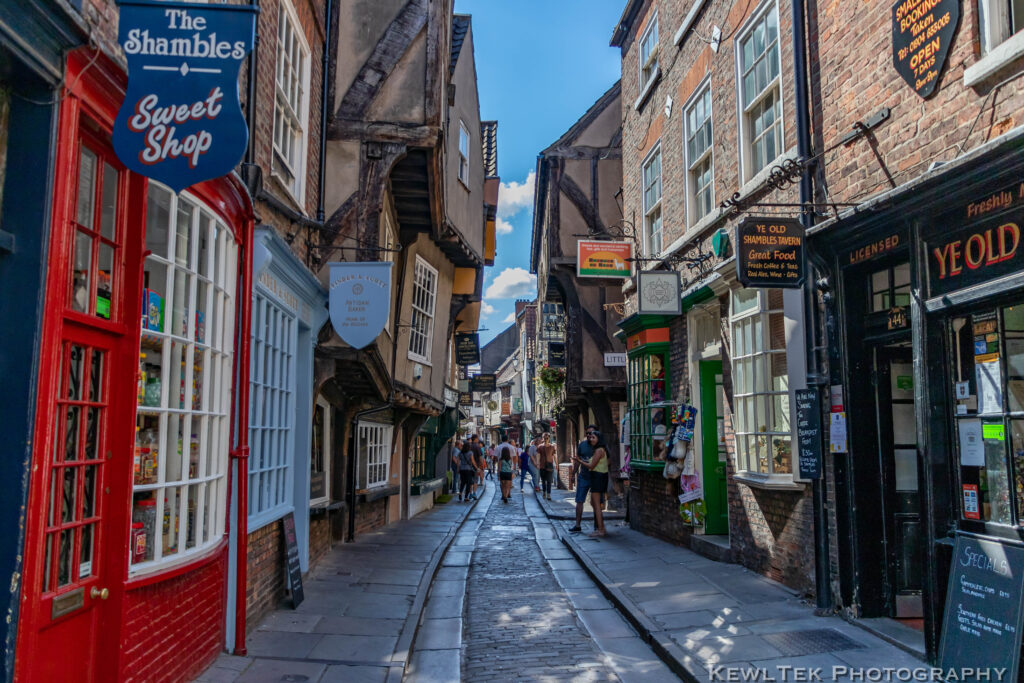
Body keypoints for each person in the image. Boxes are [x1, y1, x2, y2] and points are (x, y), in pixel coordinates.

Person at [574, 430, 609, 537]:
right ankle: (600, 527)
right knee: (594, 504)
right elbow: (591, 463)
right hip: (598, 477)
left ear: (598, 439)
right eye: (590, 437)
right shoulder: (598, 450)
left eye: (593, 437)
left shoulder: (599, 450)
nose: (591, 439)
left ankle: (601, 530)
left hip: (598, 477)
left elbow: (591, 466)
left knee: (597, 505)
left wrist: (579, 461)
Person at [569, 425, 599, 532]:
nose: (589, 435)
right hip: (584, 476)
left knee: (596, 502)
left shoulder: (600, 446)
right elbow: (578, 460)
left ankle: (597, 525)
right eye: (587, 433)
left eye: (591, 433)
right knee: (579, 501)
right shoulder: (582, 445)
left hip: (596, 477)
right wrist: (573, 474)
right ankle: (577, 525)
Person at [537, 434, 557, 500]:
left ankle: (548, 494)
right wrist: (537, 464)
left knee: (549, 481)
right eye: (544, 438)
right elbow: (538, 456)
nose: (546, 439)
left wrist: (556, 464)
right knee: (543, 481)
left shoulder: (552, 447)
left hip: (550, 466)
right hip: (542, 466)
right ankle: (544, 492)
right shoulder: (540, 447)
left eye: (547, 438)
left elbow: (554, 456)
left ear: (549, 438)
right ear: (543, 438)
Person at [496, 436, 515, 503]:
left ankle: (503, 495)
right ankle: (506, 496)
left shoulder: (500, 458)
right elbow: (512, 462)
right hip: (508, 472)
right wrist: (514, 470)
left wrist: (498, 475)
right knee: (508, 486)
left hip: (502, 472)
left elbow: (499, 467)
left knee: (502, 485)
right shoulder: (512, 449)